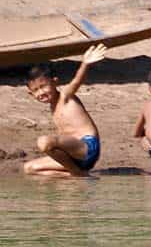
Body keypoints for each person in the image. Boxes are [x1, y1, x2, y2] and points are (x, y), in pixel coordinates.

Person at [23, 44, 106, 177]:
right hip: (71, 157)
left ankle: (76, 173)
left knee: (44, 142)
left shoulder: (65, 96)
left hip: (86, 148)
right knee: (29, 168)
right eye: (36, 90)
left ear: (55, 82)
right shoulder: (52, 106)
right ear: (31, 94)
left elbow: (76, 81)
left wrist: (85, 63)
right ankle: (80, 175)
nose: (41, 92)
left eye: (43, 86)